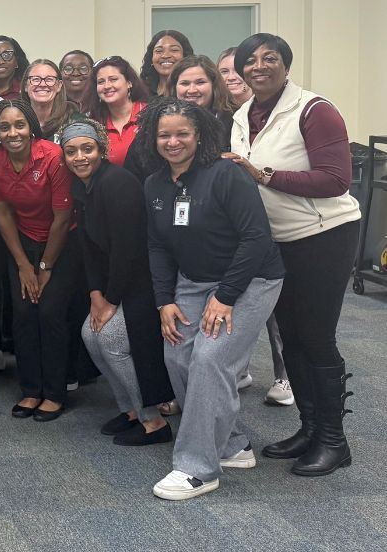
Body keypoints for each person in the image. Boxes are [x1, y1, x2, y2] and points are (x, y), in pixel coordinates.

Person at [135, 99, 285, 500]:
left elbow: (256, 239)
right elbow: (157, 246)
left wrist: (226, 295)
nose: (173, 141)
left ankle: (198, 468)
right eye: (164, 134)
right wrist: (164, 300)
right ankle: (233, 444)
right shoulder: (154, 184)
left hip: (251, 279)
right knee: (177, 354)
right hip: (193, 280)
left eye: (182, 133)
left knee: (210, 357)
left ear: (199, 134)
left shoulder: (225, 175)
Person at [227, 33, 363, 477]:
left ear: (286, 65)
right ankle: (309, 428)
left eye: (270, 58)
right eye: (251, 60)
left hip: (323, 235)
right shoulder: (244, 114)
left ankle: (332, 441)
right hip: (278, 239)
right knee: (291, 335)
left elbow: (334, 180)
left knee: (315, 336)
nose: (259, 66)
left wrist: (262, 174)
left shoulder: (314, 110)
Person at [167, 55, 290, 405]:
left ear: (214, 85)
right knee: (197, 343)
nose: (192, 89)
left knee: (248, 317)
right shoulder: (171, 121)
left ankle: (280, 375)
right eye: (185, 83)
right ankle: (218, 383)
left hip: (249, 224)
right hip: (198, 233)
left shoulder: (234, 119)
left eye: (200, 82)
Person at [61, 119, 174, 446]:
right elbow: (88, 248)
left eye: (87, 149)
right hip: (114, 283)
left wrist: (109, 300)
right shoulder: (82, 186)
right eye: (71, 152)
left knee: (109, 337)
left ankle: (153, 421)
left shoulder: (117, 183)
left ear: (101, 149)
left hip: (143, 282)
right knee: (89, 333)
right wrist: (96, 294)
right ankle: (130, 411)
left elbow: (128, 250)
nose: (79, 157)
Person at [0, 99, 76, 422]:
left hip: (59, 242)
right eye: (5, 127)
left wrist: (45, 267)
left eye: (20, 125)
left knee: (49, 313)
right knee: (23, 313)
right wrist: (23, 264)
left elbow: (63, 218)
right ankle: (31, 390)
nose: (13, 133)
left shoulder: (52, 156)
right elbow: (2, 213)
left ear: (31, 127)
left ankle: (54, 393)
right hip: (22, 242)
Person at [83, 56, 149, 167]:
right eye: (101, 82)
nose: (107, 86)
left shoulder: (150, 114)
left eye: (113, 79)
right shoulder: (93, 123)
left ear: (129, 83)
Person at [21, 59, 81, 142]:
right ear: (25, 86)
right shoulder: (15, 120)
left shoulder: (75, 121)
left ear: (59, 86)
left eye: (49, 79)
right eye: (35, 79)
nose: (42, 84)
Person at [140, 30, 194, 98]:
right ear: (151, 58)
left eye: (174, 50)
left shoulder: (192, 92)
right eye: (159, 51)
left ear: (185, 55)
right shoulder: (140, 92)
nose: (165, 55)